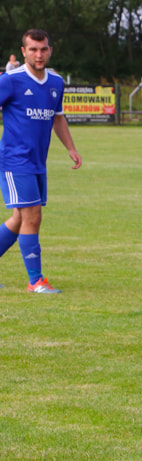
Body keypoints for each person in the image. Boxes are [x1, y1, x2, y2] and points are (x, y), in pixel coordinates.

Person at [0, 29, 82, 294]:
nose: (39, 54)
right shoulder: (10, 80)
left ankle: (35, 279)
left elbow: (57, 117)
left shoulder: (56, 82)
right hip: (14, 160)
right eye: (33, 49)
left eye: (43, 49)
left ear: (50, 50)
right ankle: (35, 280)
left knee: (18, 220)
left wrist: (70, 147)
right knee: (33, 216)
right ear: (23, 51)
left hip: (37, 162)